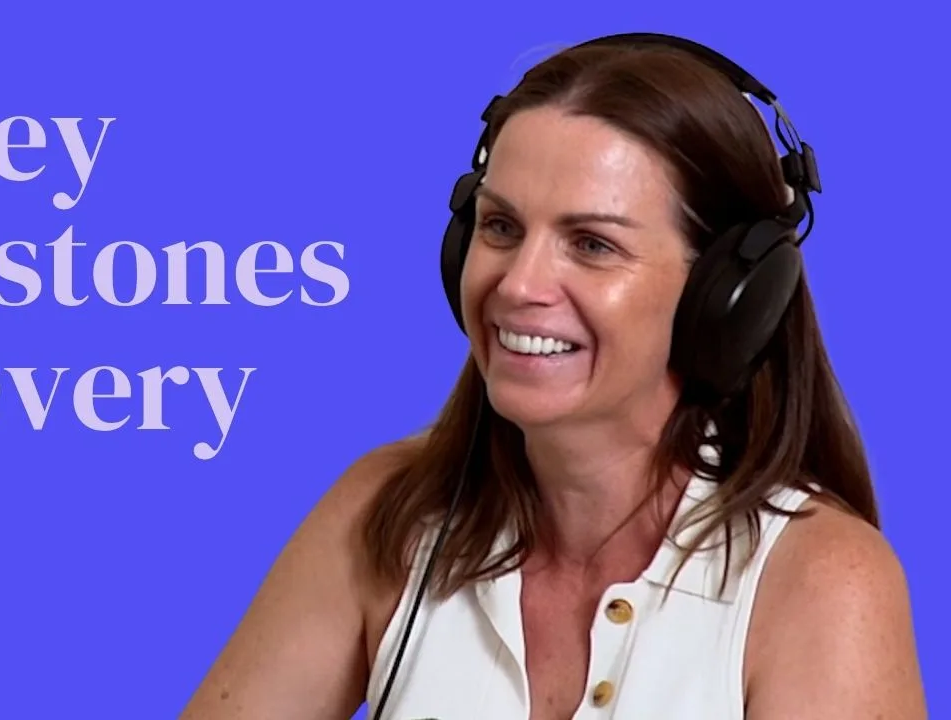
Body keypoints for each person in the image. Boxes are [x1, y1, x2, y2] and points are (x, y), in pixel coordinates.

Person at [181, 33, 927, 720]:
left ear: (728, 297)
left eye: (592, 243)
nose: (517, 285)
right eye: (501, 227)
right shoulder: (388, 513)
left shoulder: (821, 582)